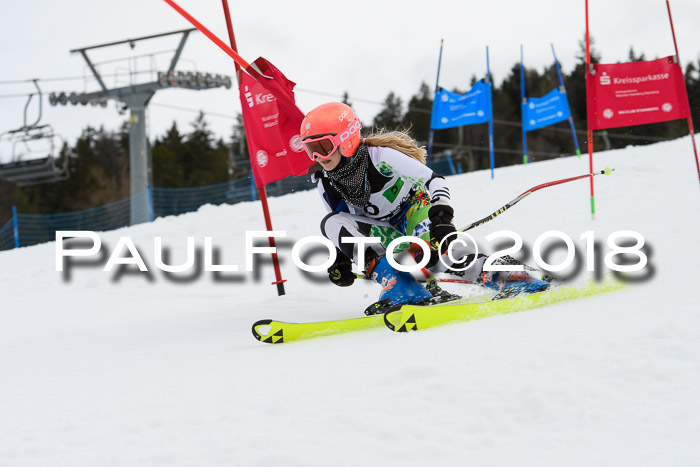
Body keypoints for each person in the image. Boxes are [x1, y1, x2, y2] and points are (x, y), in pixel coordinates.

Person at [300, 102, 548, 313]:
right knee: (331, 222)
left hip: (413, 211)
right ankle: (402, 287)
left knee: (441, 254)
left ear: (346, 139)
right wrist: (340, 259)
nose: (319, 157)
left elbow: (434, 180)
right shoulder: (325, 182)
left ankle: (510, 278)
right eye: (311, 150)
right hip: (383, 230)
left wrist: (442, 217)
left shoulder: (379, 157)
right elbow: (343, 224)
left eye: (323, 147)